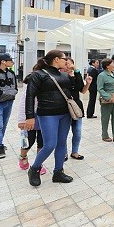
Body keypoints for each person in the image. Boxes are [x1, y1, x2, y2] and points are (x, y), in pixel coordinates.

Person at [24, 50, 74, 186]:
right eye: (65, 59)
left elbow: (76, 89)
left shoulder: (64, 75)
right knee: (50, 144)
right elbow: (30, 96)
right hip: (47, 114)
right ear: (56, 59)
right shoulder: (38, 75)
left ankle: (58, 172)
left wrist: (74, 73)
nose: (67, 61)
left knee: (62, 143)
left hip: (65, 114)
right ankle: (34, 169)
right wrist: (29, 117)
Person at [17, 66, 47, 175]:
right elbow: (23, 102)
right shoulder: (30, 81)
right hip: (31, 116)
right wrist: (21, 120)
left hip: (44, 115)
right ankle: (23, 156)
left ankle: (38, 164)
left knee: (42, 141)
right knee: (29, 140)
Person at [65, 57, 92, 160]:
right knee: (64, 132)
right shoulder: (62, 76)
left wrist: (88, 83)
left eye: (70, 64)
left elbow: (82, 90)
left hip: (76, 107)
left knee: (77, 131)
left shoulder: (77, 75)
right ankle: (63, 152)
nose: (68, 66)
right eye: (66, 64)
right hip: (65, 106)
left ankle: (75, 151)